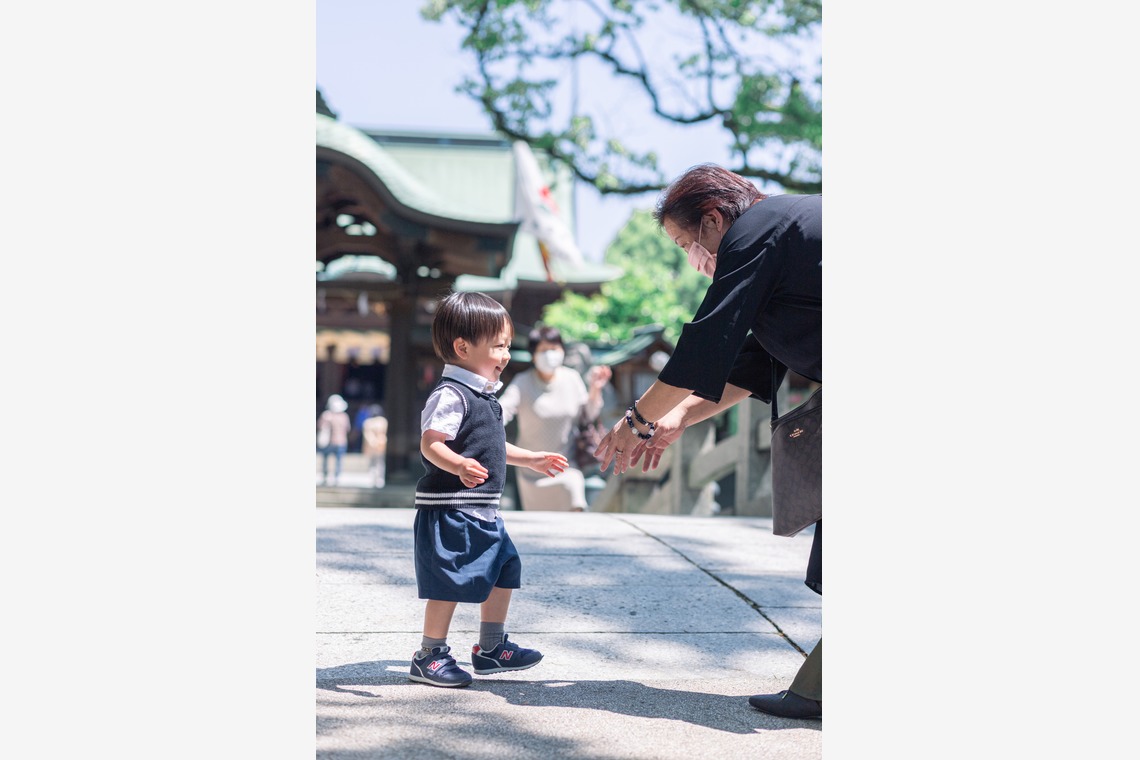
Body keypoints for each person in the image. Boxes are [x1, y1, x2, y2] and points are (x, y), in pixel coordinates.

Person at [593, 164, 823, 719]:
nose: (691, 260)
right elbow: (753, 360)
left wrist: (636, 420)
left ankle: (820, 688)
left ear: (713, 219)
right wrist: (679, 417)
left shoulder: (755, 232)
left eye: (684, 244)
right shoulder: (784, 232)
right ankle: (819, 686)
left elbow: (706, 343)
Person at [409, 291, 570, 688]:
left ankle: (491, 647)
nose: (506, 355)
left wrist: (530, 459)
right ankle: (429, 654)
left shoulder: (485, 396)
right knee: (448, 581)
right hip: (451, 507)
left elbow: (494, 447)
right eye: (499, 346)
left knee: (504, 568)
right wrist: (457, 464)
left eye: (508, 346)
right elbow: (431, 443)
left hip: (482, 509)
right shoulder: (451, 394)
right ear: (463, 347)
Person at [499, 326, 612, 511]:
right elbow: (503, 409)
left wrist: (595, 389)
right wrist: (487, 425)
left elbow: (588, 415)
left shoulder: (572, 378)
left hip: (566, 466)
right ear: (533, 355)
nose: (550, 354)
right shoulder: (522, 382)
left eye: (554, 348)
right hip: (532, 471)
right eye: (543, 350)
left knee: (574, 496)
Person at [317, 394, 351, 486]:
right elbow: (348, 429)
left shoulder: (327, 415)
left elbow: (319, 426)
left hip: (330, 442)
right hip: (341, 441)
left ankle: (326, 476)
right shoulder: (344, 416)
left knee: (326, 460)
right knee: (338, 460)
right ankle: (336, 477)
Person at [361, 404, 388, 488]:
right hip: (376, 444)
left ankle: (378, 478)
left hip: (378, 444)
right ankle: (375, 478)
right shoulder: (380, 421)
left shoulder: (378, 421)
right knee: (376, 463)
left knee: (378, 463)